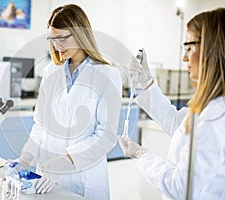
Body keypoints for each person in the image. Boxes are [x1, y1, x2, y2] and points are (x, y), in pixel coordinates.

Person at [15, 4, 122, 199]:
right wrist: (27, 156)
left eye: (63, 38)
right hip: (46, 176)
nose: (57, 46)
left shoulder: (107, 75)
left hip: (84, 178)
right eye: (53, 39)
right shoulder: (50, 72)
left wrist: (67, 160)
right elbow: (41, 123)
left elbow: (106, 135)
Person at [119, 8, 225, 199]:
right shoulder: (209, 106)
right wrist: (146, 82)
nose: (184, 57)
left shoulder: (216, 116)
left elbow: (180, 186)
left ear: (212, 49)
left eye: (189, 48)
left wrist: (142, 155)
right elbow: (177, 124)